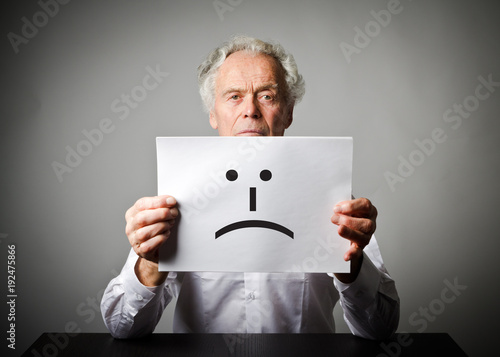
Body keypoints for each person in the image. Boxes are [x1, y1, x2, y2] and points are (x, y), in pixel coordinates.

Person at [100, 35, 400, 340]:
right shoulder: (181, 199)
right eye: (234, 96)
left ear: (288, 113)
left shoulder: (333, 203)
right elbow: (123, 328)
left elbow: (381, 329)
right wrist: (151, 262)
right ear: (213, 115)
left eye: (267, 96)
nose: (251, 110)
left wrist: (350, 263)